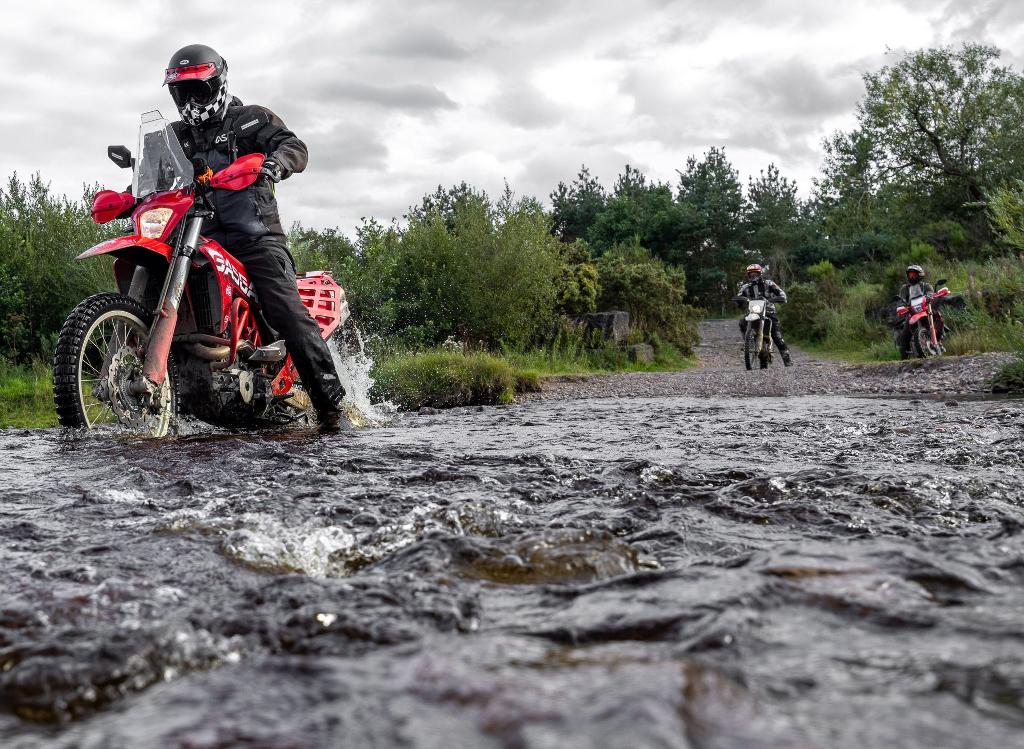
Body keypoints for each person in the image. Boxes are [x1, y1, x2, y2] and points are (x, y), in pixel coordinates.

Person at [163, 44, 346, 425]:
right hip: (197, 236)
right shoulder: (173, 136)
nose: (192, 100)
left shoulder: (250, 119)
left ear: (219, 83)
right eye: (183, 92)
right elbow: (155, 175)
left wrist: (275, 164)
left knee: (285, 309)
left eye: (199, 89)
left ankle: (331, 407)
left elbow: (294, 145)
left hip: (255, 235)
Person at [736, 263, 792, 366]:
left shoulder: (769, 283)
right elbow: (738, 297)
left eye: (756, 274)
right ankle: (748, 342)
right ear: (748, 276)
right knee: (742, 322)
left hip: (768, 312)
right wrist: (739, 301)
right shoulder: (745, 287)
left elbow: (782, 294)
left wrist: (774, 299)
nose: (753, 276)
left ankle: (788, 361)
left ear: (760, 274)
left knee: (777, 336)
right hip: (752, 313)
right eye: (751, 274)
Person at [894, 264, 939, 357]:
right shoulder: (905, 288)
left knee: (938, 317)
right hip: (912, 312)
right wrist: (901, 305)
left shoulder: (926, 285)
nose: (912, 277)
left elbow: (931, 292)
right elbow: (901, 299)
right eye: (910, 275)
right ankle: (904, 357)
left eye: (914, 274)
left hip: (926, 308)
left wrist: (929, 296)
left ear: (920, 275)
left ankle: (941, 334)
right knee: (905, 333)